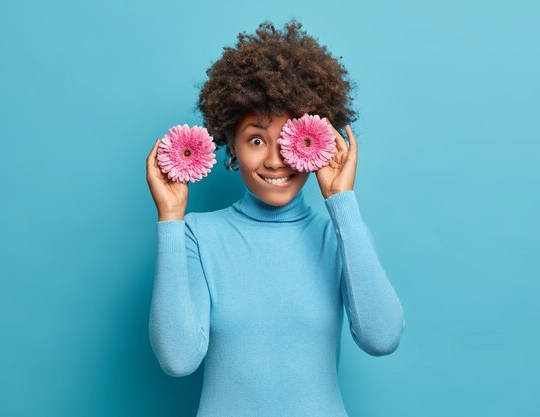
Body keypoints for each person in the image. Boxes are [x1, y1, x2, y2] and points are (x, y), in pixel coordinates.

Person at [145, 19, 405, 417]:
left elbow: (381, 337)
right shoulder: (197, 234)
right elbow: (178, 360)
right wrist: (170, 217)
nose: (273, 160)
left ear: (316, 142)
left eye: (290, 140)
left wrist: (341, 200)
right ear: (230, 142)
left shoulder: (339, 235)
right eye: (255, 139)